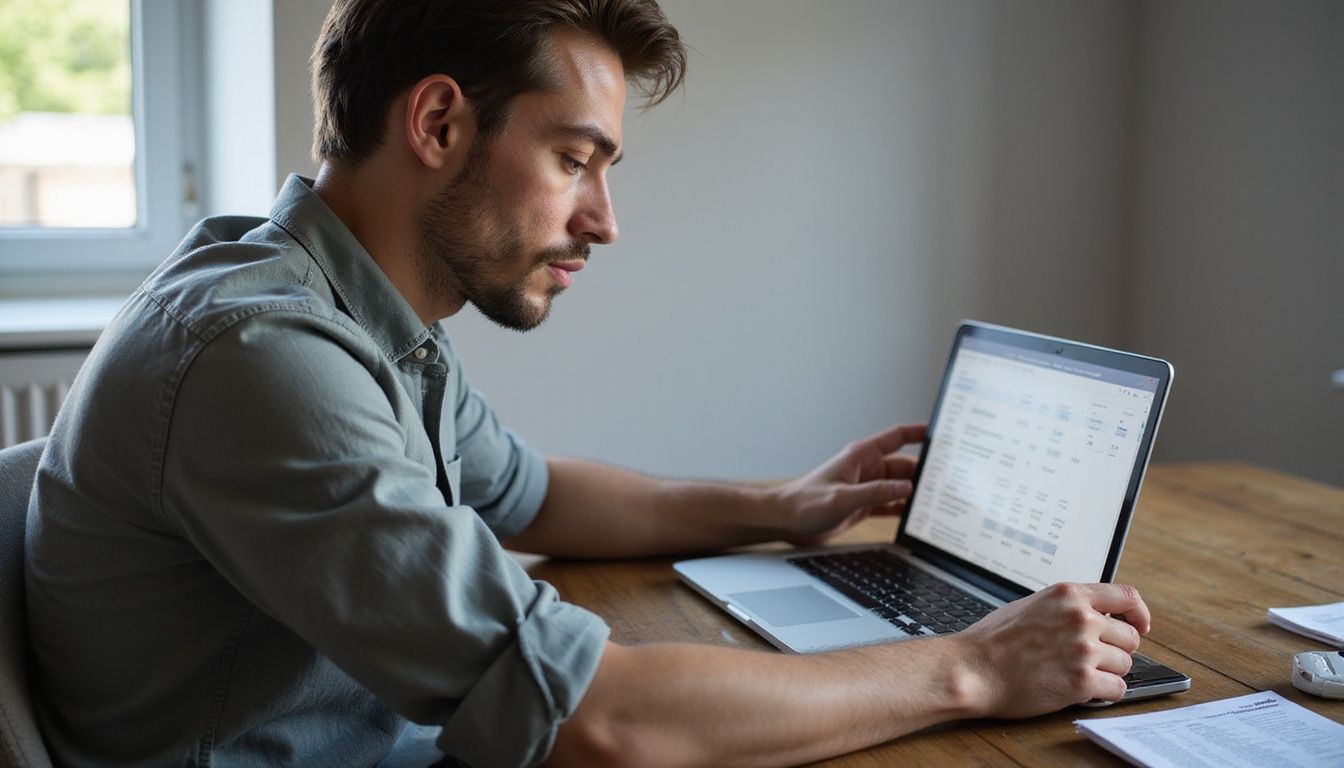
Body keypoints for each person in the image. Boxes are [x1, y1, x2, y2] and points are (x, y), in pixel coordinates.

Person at [24, 1, 1151, 766]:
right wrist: (972, 668)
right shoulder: (263, 361)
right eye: (575, 160)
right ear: (438, 121)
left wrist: (783, 505)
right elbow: (598, 723)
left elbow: (535, 494)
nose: (604, 222)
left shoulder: (346, 310)